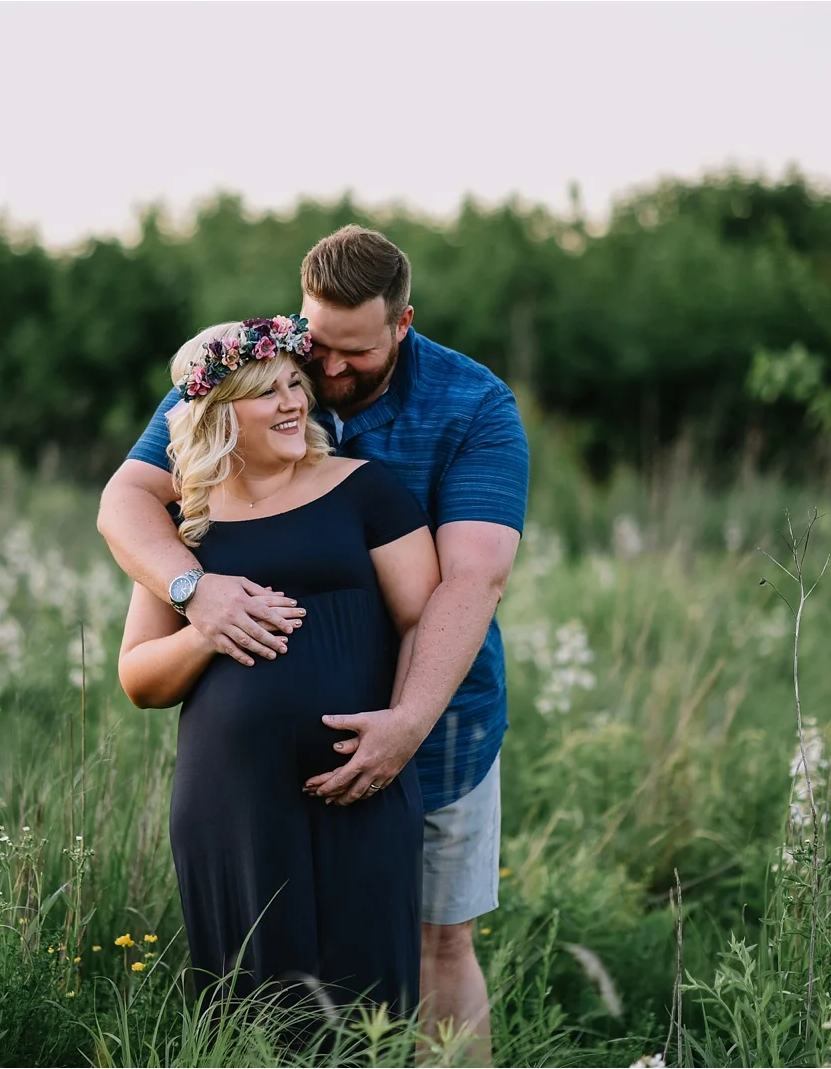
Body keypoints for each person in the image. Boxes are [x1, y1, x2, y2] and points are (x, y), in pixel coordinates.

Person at [99, 225, 529, 1060]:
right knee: (258, 978)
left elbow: (467, 580)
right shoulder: (247, 363)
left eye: (348, 356)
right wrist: (194, 594)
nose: (321, 378)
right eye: (310, 348)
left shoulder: (472, 406)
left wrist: (406, 722)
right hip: (245, 789)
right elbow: (127, 498)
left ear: (402, 324)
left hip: (440, 718)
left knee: (437, 945)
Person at [116, 316, 440, 1017]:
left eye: (298, 383)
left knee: (368, 1013)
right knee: (250, 1011)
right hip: (229, 805)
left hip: (360, 782)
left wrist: (402, 724)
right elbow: (139, 678)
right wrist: (205, 623)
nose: (294, 401)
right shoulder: (186, 530)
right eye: (267, 391)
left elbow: (424, 618)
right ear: (216, 414)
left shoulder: (367, 491)